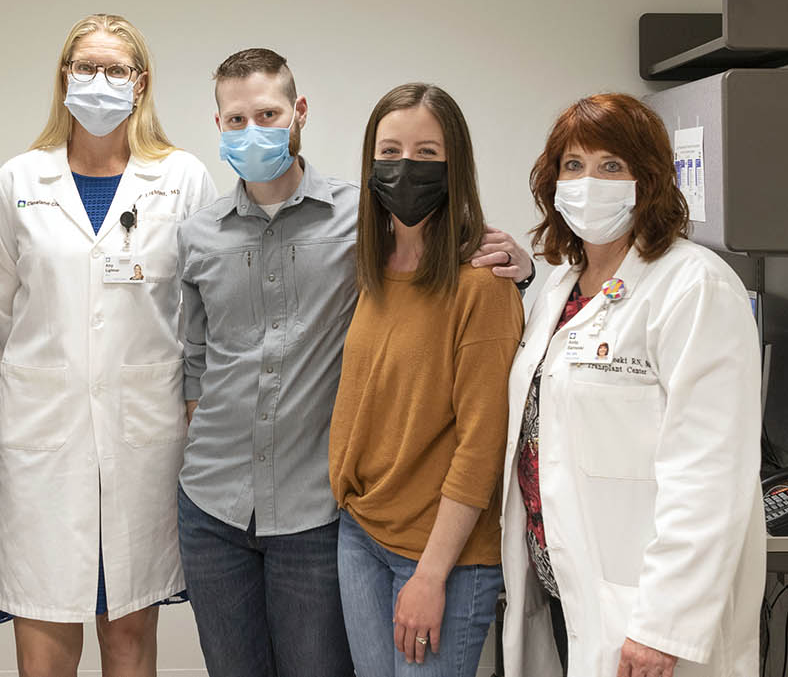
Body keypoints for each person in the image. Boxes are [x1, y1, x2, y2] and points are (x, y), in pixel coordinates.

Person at [177, 53, 531, 677]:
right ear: (218, 123)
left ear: (298, 113)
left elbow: (445, 272)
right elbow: (195, 364)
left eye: (267, 113)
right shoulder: (203, 233)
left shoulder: (356, 220)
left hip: (316, 514)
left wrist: (522, 270)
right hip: (217, 505)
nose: (252, 129)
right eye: (237, 118)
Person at [0, 13, 217, 677]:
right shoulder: (19, 182)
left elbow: (200, 310)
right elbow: (3, 316)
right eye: (87, 66)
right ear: (64, 78)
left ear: (141, 84)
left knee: (131, 631)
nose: (100, 81)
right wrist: (60, 372)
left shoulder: (183, 179)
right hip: (45, 438)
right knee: (45, 639)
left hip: (142, 434)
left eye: (116, 69)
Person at [500, 93, 764, 677]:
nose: (588, 182)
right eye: (573, 165)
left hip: (644, 618)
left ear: (648, 180)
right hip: (567, 593)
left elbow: (708, 476)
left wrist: (662, 627)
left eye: (611, 166)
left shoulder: (695, 286)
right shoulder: (561, 286)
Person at [328, 83, 524, 677]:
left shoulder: (482, 285)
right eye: (389, 152)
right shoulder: (370, 268)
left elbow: (482, 444)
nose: (404, 169)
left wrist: (431, 574)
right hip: (362, 532)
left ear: (454, 165)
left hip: (442, 557)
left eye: (427, 155)